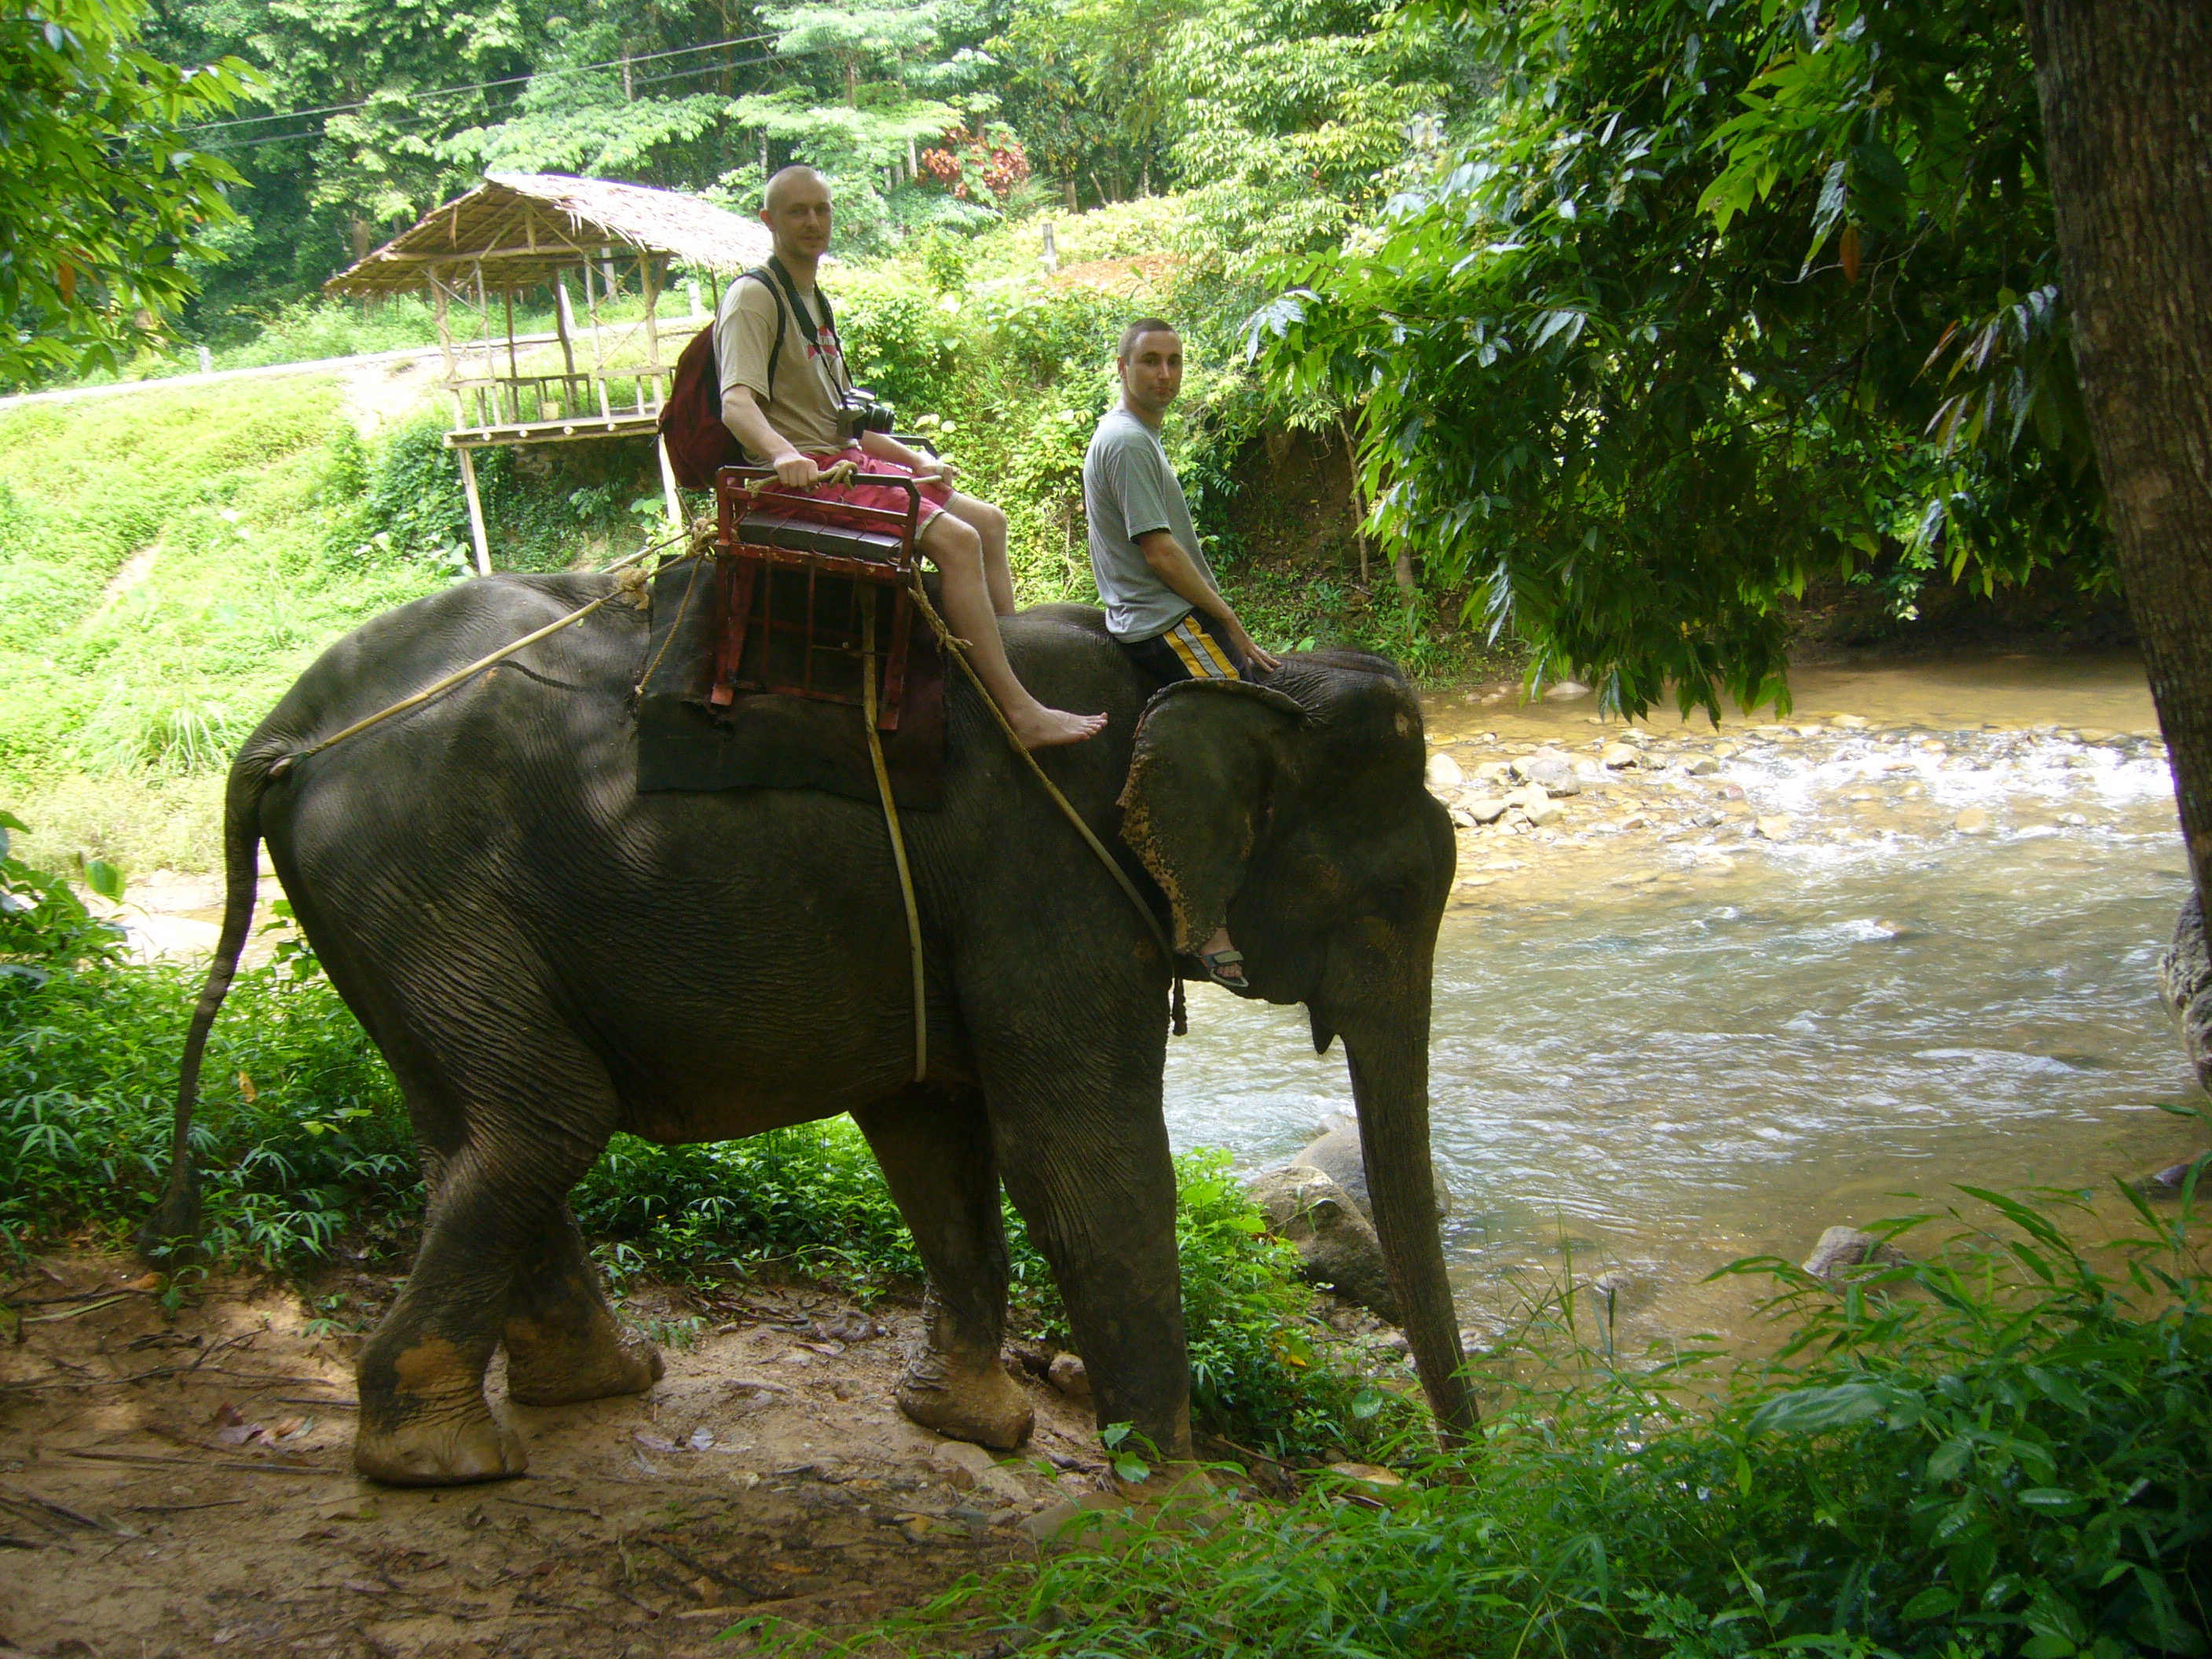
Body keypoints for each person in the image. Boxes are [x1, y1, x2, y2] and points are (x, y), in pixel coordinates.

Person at [718, 166, 1104, 749]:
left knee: (989, 522)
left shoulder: (814, 301)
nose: (813, 222)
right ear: (769, 220)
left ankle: (1011, 668)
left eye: (822, 209)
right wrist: (782, 454)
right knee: (959, 542)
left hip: (843, 463)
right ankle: (1018, 713)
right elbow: (736, 403)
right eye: (797, 211)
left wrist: (914, 461)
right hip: (804, 481)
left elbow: (846, 423)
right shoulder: (755, 297)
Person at [1082, 317, 1281, 990]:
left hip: (1162, 614)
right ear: (1122, 368)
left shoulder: (1138, 436)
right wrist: (1228, 620)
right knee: (1239, 743)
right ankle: (1204, 919)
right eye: (1150, 361)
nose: (1164, 374)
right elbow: (1160, 553)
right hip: (1161, 621)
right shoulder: (1127, 441)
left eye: (1173, 361)